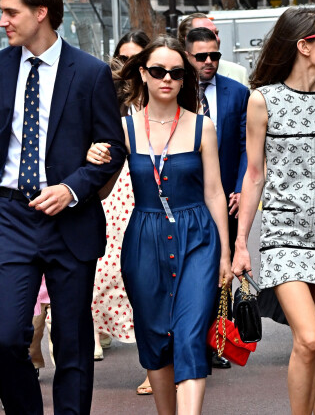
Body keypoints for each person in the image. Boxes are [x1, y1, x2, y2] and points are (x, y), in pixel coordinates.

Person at [0, 0, 126, 415]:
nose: (2, 22)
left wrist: (71, 189)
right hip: (9, 219)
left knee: (72, 340)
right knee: (8, 337)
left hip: (70, 223)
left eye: (10, 12)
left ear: (41, 13)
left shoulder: (90, 73)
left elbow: (113, 151)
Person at [232, 6, 315, 414]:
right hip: (283, 238)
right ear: (305, 46)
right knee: (307, 338)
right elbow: (254, 175)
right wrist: (240, 244)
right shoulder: (263, 100)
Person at [94, 35, 233, 414]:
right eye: (157, 71)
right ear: (143, 74)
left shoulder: (202, 127)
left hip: (198, 238)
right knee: (154, 336)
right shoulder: (125, 128)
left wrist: (227, 252)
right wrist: (93, 157)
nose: (166, 79)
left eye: (175, 72)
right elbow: (103, 190)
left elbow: (215, 192)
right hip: (144, 238)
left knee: (189, 335)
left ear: (185, 79)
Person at [184, 27, 249, 369]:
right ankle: (191, 338)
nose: (209, 62)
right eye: (201, 56)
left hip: (226, 199)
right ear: (188, 55)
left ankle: (216, 341)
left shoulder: (237, 93)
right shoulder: (174, 90)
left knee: (222, 269)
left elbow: (245, 147)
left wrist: (239, 187)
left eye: (215, 56)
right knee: (191, 269)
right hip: (185, 199)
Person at [87, 30, 150, 364]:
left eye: (136, 58)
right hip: (114, 183)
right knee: (105, 263)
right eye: (123, 58)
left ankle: (146, 344)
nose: (128, 65)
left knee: (139, 265)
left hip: (147, 182)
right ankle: (94, 325)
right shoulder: (107, 91)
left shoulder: (160, 88)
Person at [178, 13, 249, 86]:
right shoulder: (173, 76)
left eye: (216, 33)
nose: (216, 39)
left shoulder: (239, 73)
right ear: (188, 39)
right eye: (206, 34)